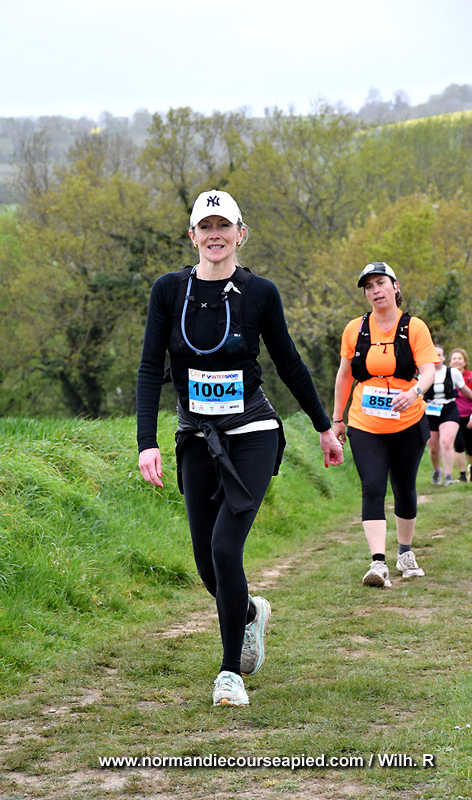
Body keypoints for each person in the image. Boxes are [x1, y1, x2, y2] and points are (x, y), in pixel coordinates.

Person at [137, 189, 343, 707]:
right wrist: (147, 442)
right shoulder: (168, 291)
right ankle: (250, 612)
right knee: (208, 565)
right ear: (192, 236)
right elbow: (149, 367)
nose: (215, 235)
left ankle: (230, 673)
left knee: (226, 549)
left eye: (223, 226)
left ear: (240, 233)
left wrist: (324, 427)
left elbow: (289, 361)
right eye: (205, 227)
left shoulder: (260, 293)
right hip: (195, 436)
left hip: (253, 432)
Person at [332, 262, 437, 588]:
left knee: (404, 487)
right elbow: (344, 375)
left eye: (380, 283)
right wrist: (337, 419)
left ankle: (405, 552)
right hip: (365, 423)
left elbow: (428, 370)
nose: (375, 290)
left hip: (408, 421)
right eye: (369, 286)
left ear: (395, 286)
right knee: (373, 486)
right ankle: (378, 562)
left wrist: (415, 391)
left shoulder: (414, 327)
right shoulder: (355, 329)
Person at [425, 345, 472, 485]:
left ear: (444, 358)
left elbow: (465, 391)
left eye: (439, 355)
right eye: (434, 355)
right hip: (430, 410)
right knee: (433, 447)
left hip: (449, 409)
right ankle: (437, 471)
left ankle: (448, 476)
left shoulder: (453, 373)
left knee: (446, 442)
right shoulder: (424, 373)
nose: (436, 358)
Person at [448, 347, 472, 482]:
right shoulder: (446, 376)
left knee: (470, 446)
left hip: (469, 416)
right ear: (450, 362)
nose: (457, 361)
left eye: (460, 358)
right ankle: (462, 475)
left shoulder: (470, 376)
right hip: (453, 416)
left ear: (465, 361)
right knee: (459, 445)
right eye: (454, 358)